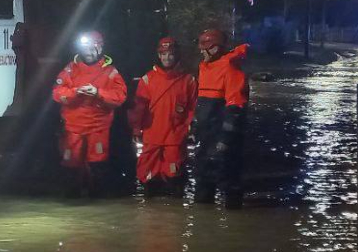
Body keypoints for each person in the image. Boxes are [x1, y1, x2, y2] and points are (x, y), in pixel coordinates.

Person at [52, 31, 127, 197]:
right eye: (86, 48)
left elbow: (119, 96)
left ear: (100, 48)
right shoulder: (70, 69)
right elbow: (57, 93)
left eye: (93, 48)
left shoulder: (110, 72)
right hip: (73, 127)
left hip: (98, 128)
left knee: (97, 164)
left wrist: (98, 92)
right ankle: (72, 199)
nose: (89, 52)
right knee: (71, 164)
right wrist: (76, 92)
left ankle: (97, 199)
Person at [128, 37, 197, 196]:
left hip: (175, 136)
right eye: (163, 54)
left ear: (176, 55)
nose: (167, 58)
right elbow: (139, 108)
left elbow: (192, 108)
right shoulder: (147, 79)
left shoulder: (188, 80)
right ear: (159, 55)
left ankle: (174, 216)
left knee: (174, 177)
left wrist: (188, 128)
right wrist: (136, 129)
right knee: (147, 177)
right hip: (151, 135)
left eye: (171, 54)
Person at [194, 29, 249, 208]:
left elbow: (236, 106)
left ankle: (233, 223)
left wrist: (225, 138)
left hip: (223, 137)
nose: (201, 51)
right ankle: (202, 224)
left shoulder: (230, 67)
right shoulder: (205, 67)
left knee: (228, 179)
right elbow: (202, 103)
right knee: (203, 179)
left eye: (205, 48)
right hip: (207, 135)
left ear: (216, 48)